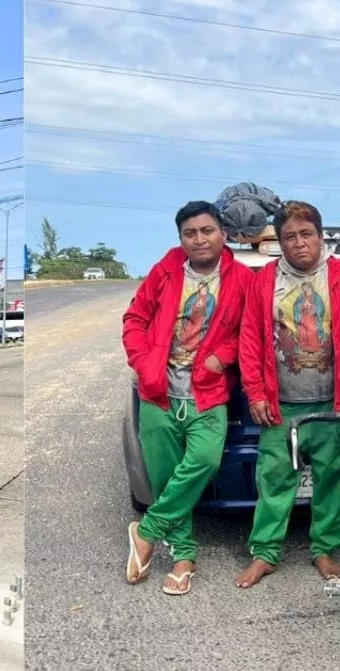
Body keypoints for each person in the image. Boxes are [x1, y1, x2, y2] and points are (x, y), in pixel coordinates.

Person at [235, 201, 340, 589]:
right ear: (280, 242)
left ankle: (324, 550)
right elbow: (250, 341)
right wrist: (256, 392)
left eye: (306, 234)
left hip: (335, 402)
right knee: (274, 479)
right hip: (281, 405)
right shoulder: (264, 281)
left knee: (332, 479)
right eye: (290, 237)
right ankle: (265, 553)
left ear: (320, 235)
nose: (299, 243)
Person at [122, 201, 253, 595]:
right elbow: (134, 320)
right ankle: (183, 556)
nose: (199, 239)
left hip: (208, 393)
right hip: (159, 393)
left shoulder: (242, 279)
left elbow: (249, 332)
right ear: (181, 238)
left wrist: (222, 358)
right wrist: (145, 364)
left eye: (207, 231)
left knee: (203, 461)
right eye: (190, 233)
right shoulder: (165, 271)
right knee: (165, 478)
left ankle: (146, 532)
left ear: (223, 234)